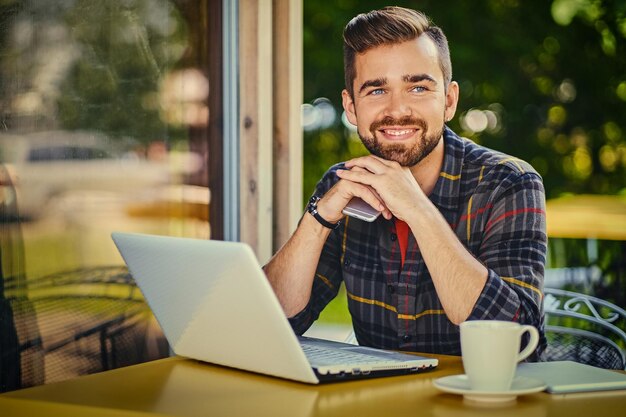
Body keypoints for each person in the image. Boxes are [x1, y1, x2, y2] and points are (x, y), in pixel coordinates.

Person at [264, 6, 546, 359]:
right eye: (376, 91)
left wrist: (417, 208)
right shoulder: (343, 186)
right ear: (351, 107)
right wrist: (318, 218)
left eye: (417, 87)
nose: (397, 110)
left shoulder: (508, 182)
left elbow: (517, 341)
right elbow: (272, 322)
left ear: (449, 100)